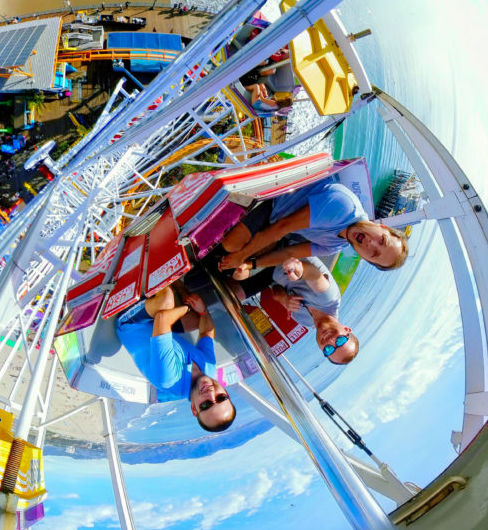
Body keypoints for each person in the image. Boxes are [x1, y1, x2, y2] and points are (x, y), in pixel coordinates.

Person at [116, 285, 236, 432]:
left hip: (132, 323)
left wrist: (187, 307)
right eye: (221, 398)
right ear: (226, 393)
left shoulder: (169, 379)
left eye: (206, 405)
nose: (211, 393)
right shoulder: (209, 373)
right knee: (197, 318)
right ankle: (177, 282)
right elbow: (206, 333)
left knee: (166, 301)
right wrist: (203, 311)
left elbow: (162, 318)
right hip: (155, 325)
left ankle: (154, 272)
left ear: (194, 408)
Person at [218, 180, 408, 271]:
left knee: (247, 260)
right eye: (382, 240)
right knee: (232, 246)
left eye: (373, 253)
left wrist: (249, 264)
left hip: (279, 222)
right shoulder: (344, 207)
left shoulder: (337, 245)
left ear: (365, 258)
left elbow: (289, 253)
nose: (370, 244)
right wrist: (240, 256)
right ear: (383, 227)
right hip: (277, 197)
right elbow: (282, 227)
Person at [228, 255, 358, 365]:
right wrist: (297, 271)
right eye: (340, 341)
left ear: (321, 349)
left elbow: (276, 289)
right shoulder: (329, 298)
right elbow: (309, 272)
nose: (330, 341)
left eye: (329, 349)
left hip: (271, 274)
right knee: (237, 273)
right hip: (284, 253)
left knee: (232, 295)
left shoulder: (306, 321)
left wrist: (284, 299)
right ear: (346, 329)